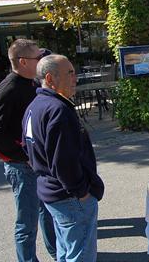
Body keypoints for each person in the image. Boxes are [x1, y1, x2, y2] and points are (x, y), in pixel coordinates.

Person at [22, 54, 105, 262]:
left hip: (52, 192)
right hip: (70, 197)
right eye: (70, 73)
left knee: (66, 252)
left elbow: (28, 149)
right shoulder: (57, 109)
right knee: (79, 255)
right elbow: (64, 162)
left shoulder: (35, 106)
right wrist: (81, 192)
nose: (75, 77)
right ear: (50, 79)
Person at [0, 39, 57, 261]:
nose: (41, 61)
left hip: (39, 162)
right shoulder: (8, 89)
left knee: (48, 212)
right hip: (23, 167)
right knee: (27, 222)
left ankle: (57, 253)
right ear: (23, 61)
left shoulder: (33, 83)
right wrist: (22, 156)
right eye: (38, 58)